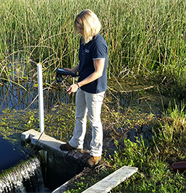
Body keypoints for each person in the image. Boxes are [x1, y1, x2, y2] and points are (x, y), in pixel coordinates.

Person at [60, 9, 108, 167]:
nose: (79, 31)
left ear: (89, 25)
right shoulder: (84, 39)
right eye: (78, 28)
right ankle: (76, 143)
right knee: (79, 116)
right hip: (82, 84)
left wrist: (78, 84)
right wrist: (73, 71)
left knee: (94, 121)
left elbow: (98, 72)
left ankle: (96, 154)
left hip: (94, 88)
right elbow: (83, 62)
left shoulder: (99, 44)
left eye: (81, 28)